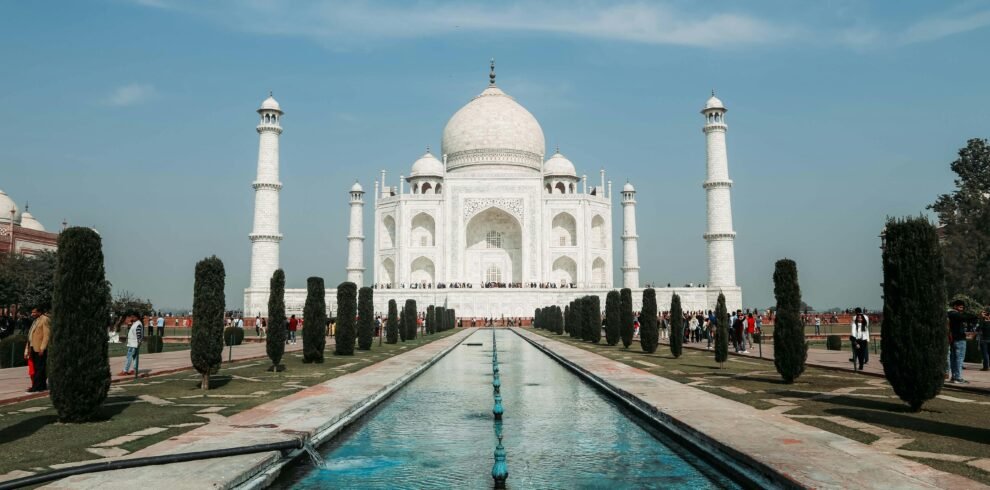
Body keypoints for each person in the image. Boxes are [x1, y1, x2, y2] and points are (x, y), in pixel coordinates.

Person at [947, 299, 977, 383]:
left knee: (954, 359)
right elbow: (965, 317)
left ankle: (954, 377)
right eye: (960, 307)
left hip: (953, 340)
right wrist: (977, 315)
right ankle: (958, 377)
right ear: (955, 306)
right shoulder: (954, 314)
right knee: (959, 359)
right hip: (959, 339)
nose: (962, 309)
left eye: (962, 307)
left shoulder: (950, 314)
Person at [24, 306, 51, 393]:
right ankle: (41, 386)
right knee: (36, 367)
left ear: (39, 312)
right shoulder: (36, 320)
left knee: (40, 368)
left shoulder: (45, 319)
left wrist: (42, 348)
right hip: (33, 347)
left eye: (34, 312)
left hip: (40, 348)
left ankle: (36, 386)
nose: (32, 314)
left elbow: (46, 335)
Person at [121, 311, 143, 376]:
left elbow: (138, 334)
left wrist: (139, 341)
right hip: (133, 343)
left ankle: (125, 370)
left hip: (133, 344)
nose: (132, 318)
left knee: (129, 357)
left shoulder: (138, 324)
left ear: (136, 317)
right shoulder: (136, 323)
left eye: (133, 317)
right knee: (135, 357)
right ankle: (135, 370)